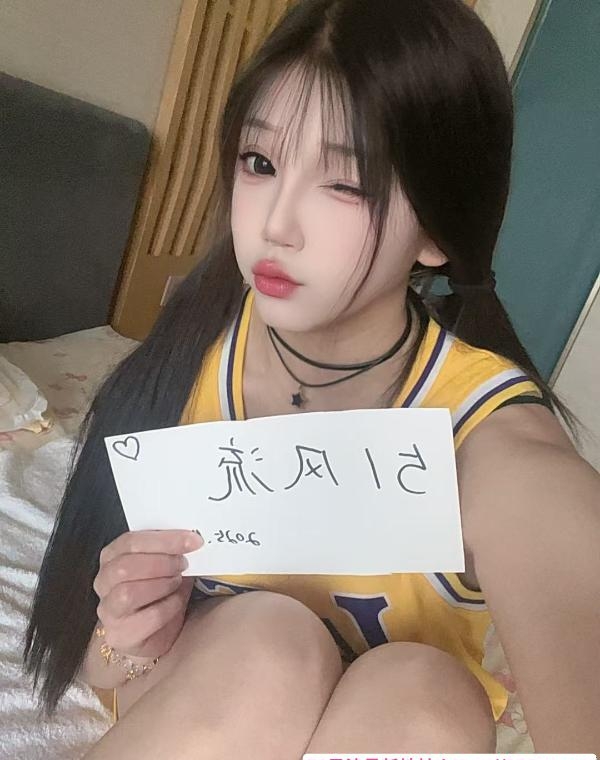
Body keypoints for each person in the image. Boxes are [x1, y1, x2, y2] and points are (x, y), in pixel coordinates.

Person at [24, 0, 600, 756]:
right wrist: (132, 631)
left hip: (396, 721)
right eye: (260, 163)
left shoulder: (494, 448)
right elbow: (98, 661)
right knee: (271, 641)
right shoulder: (185, 355)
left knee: (423, 687)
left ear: (437, 228)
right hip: (202, 694)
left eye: (347, 184)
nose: (275, 224)